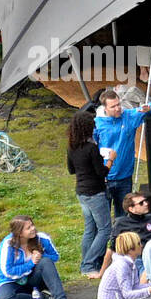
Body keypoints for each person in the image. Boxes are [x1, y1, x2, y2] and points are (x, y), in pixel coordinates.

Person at [94, 90, 151, 217]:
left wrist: (148, 108)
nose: (117, 108)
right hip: (104, 178)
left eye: (118, 104)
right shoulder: (97, 123)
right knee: (103, 220)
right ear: (104, 108)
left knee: (123, 217)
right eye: (113, 106)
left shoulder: (129, 116)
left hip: (125, 178)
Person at [0, 216, 73, 299]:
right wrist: (31, 263)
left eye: (32, 225)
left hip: (33, 278)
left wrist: (40, 255)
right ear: (19, 233)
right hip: (9, 281)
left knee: (46, 261)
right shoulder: (8, 245)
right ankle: (44, 298)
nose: (33, 229)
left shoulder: (41, 238)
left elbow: (55, 256)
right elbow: (8, 272)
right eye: (28, 228)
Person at [66, 109, 111, 279]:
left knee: (90, 229)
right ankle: (88, 264)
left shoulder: (71, 147)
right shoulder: (91, 148)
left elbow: (71, 170)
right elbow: (102, 173)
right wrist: (110, 160)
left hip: (81, 192)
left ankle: (87, 262)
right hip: (95, 193)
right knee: (105, 229)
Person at [97, 232, 151, 299]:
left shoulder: (130, 263)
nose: (141, 246)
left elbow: (135, 286)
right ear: (130, 249)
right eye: (138, 243)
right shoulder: (122, 266)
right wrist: (149, 291)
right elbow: (127, 294)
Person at [97, 192, 151, 277]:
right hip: (136, 258)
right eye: (141, 203)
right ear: (131, 209)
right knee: (145, 273)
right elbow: (112, 248)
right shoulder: (122, 223)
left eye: (145, 201)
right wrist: (102, 272)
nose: (146, 204)